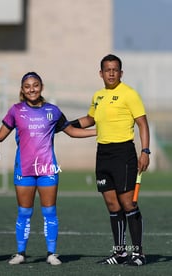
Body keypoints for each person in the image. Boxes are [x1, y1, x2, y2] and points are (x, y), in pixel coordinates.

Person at [0, 71, 96, 265]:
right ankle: (20, 253)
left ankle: (51, 253)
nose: (31, 89)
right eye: (27, 86)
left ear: (41, 87)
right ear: (22, 90)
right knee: (24, 213)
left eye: (35, 85)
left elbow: (72, 131)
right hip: (24, 169)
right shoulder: (16, 110)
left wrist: (99, 131)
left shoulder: (53, 111)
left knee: (49, 211)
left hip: (47, 169)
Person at [71, 54, 150, 266]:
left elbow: (142, 123)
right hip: (103, 154)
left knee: (128, 203)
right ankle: (120, 252)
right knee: (112, 205)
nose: (112, 73)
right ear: (101, 73)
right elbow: (90, 119)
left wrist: (145, 151)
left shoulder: (129, 94)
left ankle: (138, 253)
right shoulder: (98, 96)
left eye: (115, 69)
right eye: (108, 70)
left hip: (123, 154)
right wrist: (66, 124)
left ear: (121, 73)